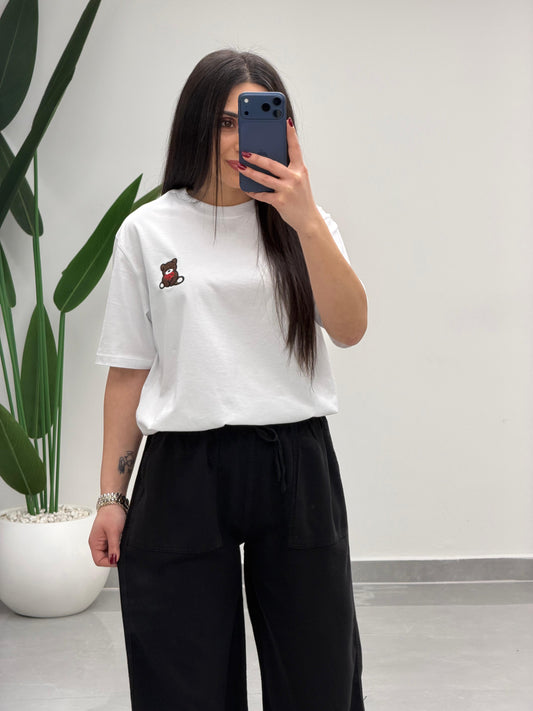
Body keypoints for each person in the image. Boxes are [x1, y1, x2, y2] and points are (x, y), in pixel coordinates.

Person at [88, 48, 368, 711]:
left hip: (294, 461)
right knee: (180, 676)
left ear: (284, 127)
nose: (240, 137)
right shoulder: (147, 230)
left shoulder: (307, 225)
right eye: (223, 121)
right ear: (195, 126)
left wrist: (305, 219)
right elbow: (128, 373)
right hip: (184, 467)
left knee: (318, 673)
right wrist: (110, 496)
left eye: (256, 118)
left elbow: (350, 327)